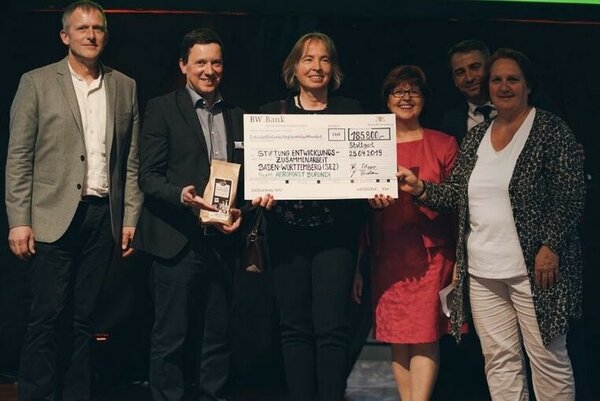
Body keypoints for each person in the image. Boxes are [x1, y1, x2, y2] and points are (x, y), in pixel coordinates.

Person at [397, 48, 584, 401]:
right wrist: (419, 188)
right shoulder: (476, 137)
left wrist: (551, 246)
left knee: (548, 359)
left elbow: (569, 195)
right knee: (499, 361)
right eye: (496, 79)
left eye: (512, 79)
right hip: (483, 272)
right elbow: (456, 195)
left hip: (535, 268)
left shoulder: (550, 129)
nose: (503, 86)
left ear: (528, 85)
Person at [5, 1, 143, 399]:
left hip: (102, 217)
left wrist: (130, 216)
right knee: (47, 316)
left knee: (84, 319)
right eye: (82, 29)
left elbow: (130, 161)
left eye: (98, 28)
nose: (91, 35)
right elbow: (19, 157)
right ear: (65, 36)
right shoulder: (37, 82)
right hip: (50, 216)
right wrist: (19, 219)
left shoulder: (124, 86)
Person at [133, 28, 244, 401]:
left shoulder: (236, 114)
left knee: (217, 337)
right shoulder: (162, 108)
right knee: (171, 338)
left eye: (215, 62)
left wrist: (239, 212)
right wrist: (182, 196)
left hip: (221, 242)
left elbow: (241, 178)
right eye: (200, 62)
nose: (209, 70)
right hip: (176, 240)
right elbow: (148, 176)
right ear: (184, 65)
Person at [255, 32, 364, 401]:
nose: (316, 67)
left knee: (332, 328)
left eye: (324, 60)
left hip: (336, 235)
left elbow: (366, 169)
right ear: (294, 68)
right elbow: (257, 172)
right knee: (293, 327)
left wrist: (375, 189)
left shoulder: (351, 113)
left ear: (333, 68)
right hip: (286, 233)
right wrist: (260, 192)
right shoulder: (272, 115)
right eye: (308, 59)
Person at [352, 65, 458, 401]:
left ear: (425, 99)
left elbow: (457, 202)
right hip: (388, 252)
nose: (406, 97)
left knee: (425, 332)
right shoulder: (370, 144)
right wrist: (372, 205)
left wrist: (460, 261)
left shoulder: (444, 143)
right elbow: (357, 207)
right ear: (386, 99)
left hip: (431, 253)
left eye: (413, 91)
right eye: (398, 91)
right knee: (398, 336)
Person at [440, 39, 496, 143]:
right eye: (460, 72)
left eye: (475, 67)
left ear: (490, 67)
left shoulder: (518, 108)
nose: (469, 78)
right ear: (454, 80)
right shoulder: (450, 122)